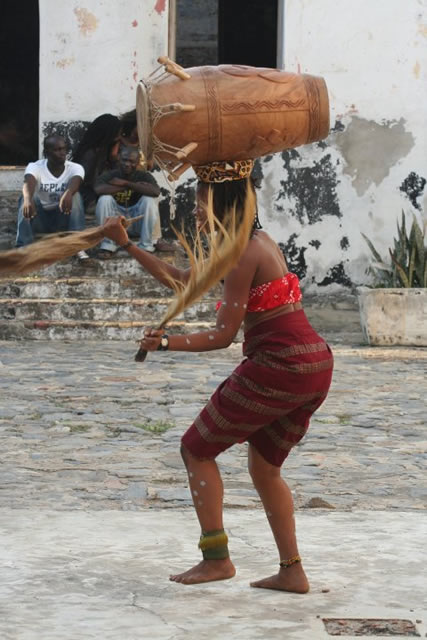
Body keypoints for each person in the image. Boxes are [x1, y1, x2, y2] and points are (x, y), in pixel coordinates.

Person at [101, 159, 334, 591]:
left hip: (279, 366)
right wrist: (127, 245)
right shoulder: (255, 242)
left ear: (223, 204)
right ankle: (292, 571)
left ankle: (217, 560)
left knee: (196, 449)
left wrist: (165, 344)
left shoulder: (242, 253)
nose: (194, 212)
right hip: (313, 364)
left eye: (200, 203)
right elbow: (183, 281)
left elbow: (223, 336)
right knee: (265, 469)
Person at [15, 135, 89, 262]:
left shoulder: (75, 167)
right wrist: (28, 199)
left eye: (64, 149)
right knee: (26, 197)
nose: (62, 153)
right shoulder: (35, 166)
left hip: (62, 218)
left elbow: (76, 181)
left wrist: (69, 192)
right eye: (57, 150)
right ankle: (23, 247)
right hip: (39, 219)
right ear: (46, 153)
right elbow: (28, 183)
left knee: (75, 196)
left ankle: (78, 246)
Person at [94, 146, 162, 257]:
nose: (127, 164)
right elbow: (98, 189)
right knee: (104, 199)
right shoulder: (110, 175)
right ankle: (107, 246)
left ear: (138, 162)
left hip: (137, 223)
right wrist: (129, 186)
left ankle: (145, 246)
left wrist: (126, 183)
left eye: (131, 161)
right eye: (124, 160)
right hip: (116, 224)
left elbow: (155, 192)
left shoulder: (143, 176)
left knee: (149, 200)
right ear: (119, 158)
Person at [72, 114, 122, 210]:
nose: (119, 137)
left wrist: (113, 156)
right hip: (88, 200)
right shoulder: (90, 155)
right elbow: (96, 186)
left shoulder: (104, 150)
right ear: (108, 134)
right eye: (117, 134)